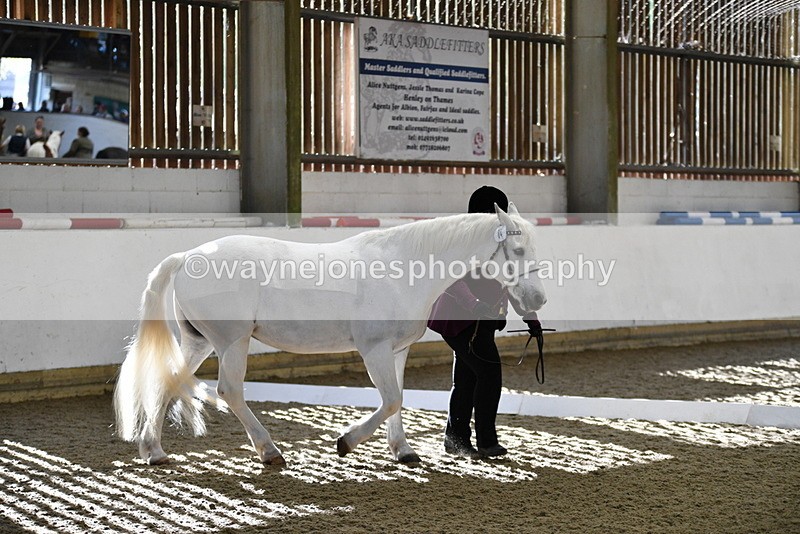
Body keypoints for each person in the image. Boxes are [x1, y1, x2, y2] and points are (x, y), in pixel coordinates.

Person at [428, 185, 543, 459]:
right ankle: (485, 441)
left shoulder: (497, 244)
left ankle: (456, 439)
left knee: (468, 379)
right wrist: (475, 305)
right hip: (460, 321)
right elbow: (452, 279)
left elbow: (511, 281)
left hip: (481, 322)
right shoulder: (463, 241)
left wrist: (530, 317)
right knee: (489, 375)